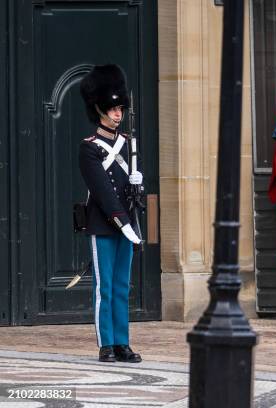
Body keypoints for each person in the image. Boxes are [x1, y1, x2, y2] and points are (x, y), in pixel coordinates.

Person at [79, 64, 144, 363]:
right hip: (105, 225)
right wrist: (123, 223)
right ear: (98, 108)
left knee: (121, 285)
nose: (117, 113)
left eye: (120, 108)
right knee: (104, 286)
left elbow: (126, 188)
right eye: (112, 108)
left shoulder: (128, 143)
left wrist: (137, 185)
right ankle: (106, 343)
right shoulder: (89, 148)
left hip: (128, 223)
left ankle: (122, 342)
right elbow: (102, 191)